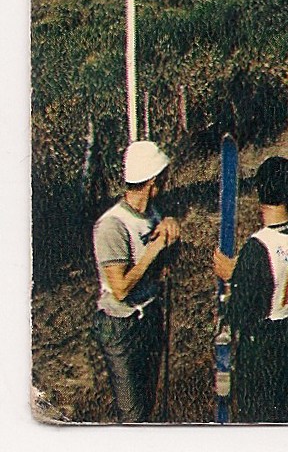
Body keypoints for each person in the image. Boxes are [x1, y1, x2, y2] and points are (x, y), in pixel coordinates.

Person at [212, 156, 288, 422]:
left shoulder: (258, 246)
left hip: (262, 347)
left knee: (255, 417)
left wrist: (232, 278)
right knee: (281, 406)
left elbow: (243, 312)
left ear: (259, 191)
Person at [92, 141, 182, 422]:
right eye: (164, 178)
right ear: (153, 181)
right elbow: (119, 289)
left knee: (147, 404)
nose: (166, 184)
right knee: (133, 414)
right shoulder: (112, 226)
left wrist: (170, 236)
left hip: (149, 316)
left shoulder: (151, 214)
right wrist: (153, 250)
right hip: (121, 325)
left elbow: (163, 265)